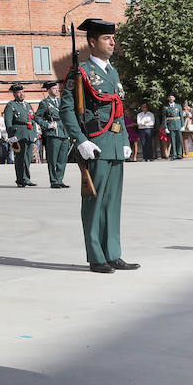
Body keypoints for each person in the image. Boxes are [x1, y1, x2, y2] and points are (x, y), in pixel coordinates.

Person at [61, 19, 137, 274]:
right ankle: (96, 256)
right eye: (107, 38)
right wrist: (80, 140)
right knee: (94, 203)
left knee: (113, 202)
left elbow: (118, 109)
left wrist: (125, 140)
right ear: (92, 42)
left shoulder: (112, 72)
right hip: (96, 144)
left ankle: (113, 253)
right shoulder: (80, 72)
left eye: (113, 38)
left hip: (115, 143)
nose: (113, 42)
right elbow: (68, 110)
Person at [35, 80, 72, 188]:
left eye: (57, 88)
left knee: (62, 158)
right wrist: (47, 125)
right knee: (52, 158)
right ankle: (54, 180)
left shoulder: (61, 101)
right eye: (54, 88)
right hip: (53, 132)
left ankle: (60, 179)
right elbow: (37, 117)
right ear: (49, 90)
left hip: (64, 131)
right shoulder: (44, 103)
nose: (57, 90)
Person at [3, 84, 36, 187]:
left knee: (28, 157)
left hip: (29, 133)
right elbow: (8, 122)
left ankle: (26, 178)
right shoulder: (11, 105)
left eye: (22, 92)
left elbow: (33, 119)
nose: (21, 94)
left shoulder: (28, 105)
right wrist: (11, 136)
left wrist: (35, 133)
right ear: (14, 94)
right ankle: (21, 179)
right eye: (19, 92)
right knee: (19, 158)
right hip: (18, 134)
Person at [163, 95, 184, 159]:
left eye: (172, 97)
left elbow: (181, 116)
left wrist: (182, 125)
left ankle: (179, 154)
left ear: (174, 98)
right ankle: (174, 154)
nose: (171, 98)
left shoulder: (178, 106)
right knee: (173, 141)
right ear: (168, 98)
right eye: (170, 97)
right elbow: (164, 118)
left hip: (178, 124)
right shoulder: (165, 107)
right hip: (171, 125)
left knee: (179, 140)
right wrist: (166, 127)